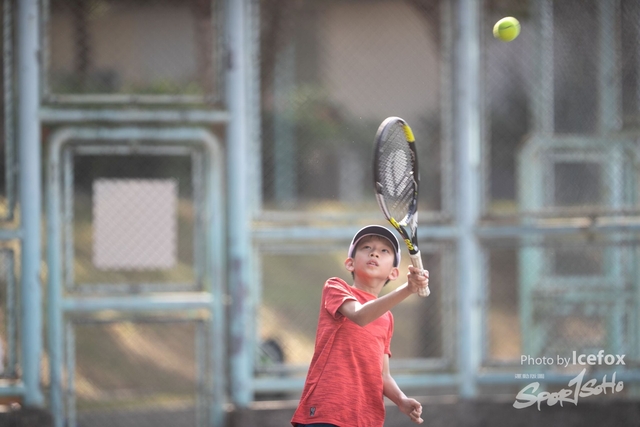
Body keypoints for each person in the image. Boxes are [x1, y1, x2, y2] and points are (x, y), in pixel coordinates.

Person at [291, 225, 428, 427]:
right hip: (326, 412)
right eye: (366, 247)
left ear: (393, 273)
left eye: (384, 251)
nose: (374, 252)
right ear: (350, 263)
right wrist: (408, 289)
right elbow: (360, 315)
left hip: (366, 419)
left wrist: (401, 399)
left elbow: (383, 375)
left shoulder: (387, 317)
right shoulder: (335, 287)